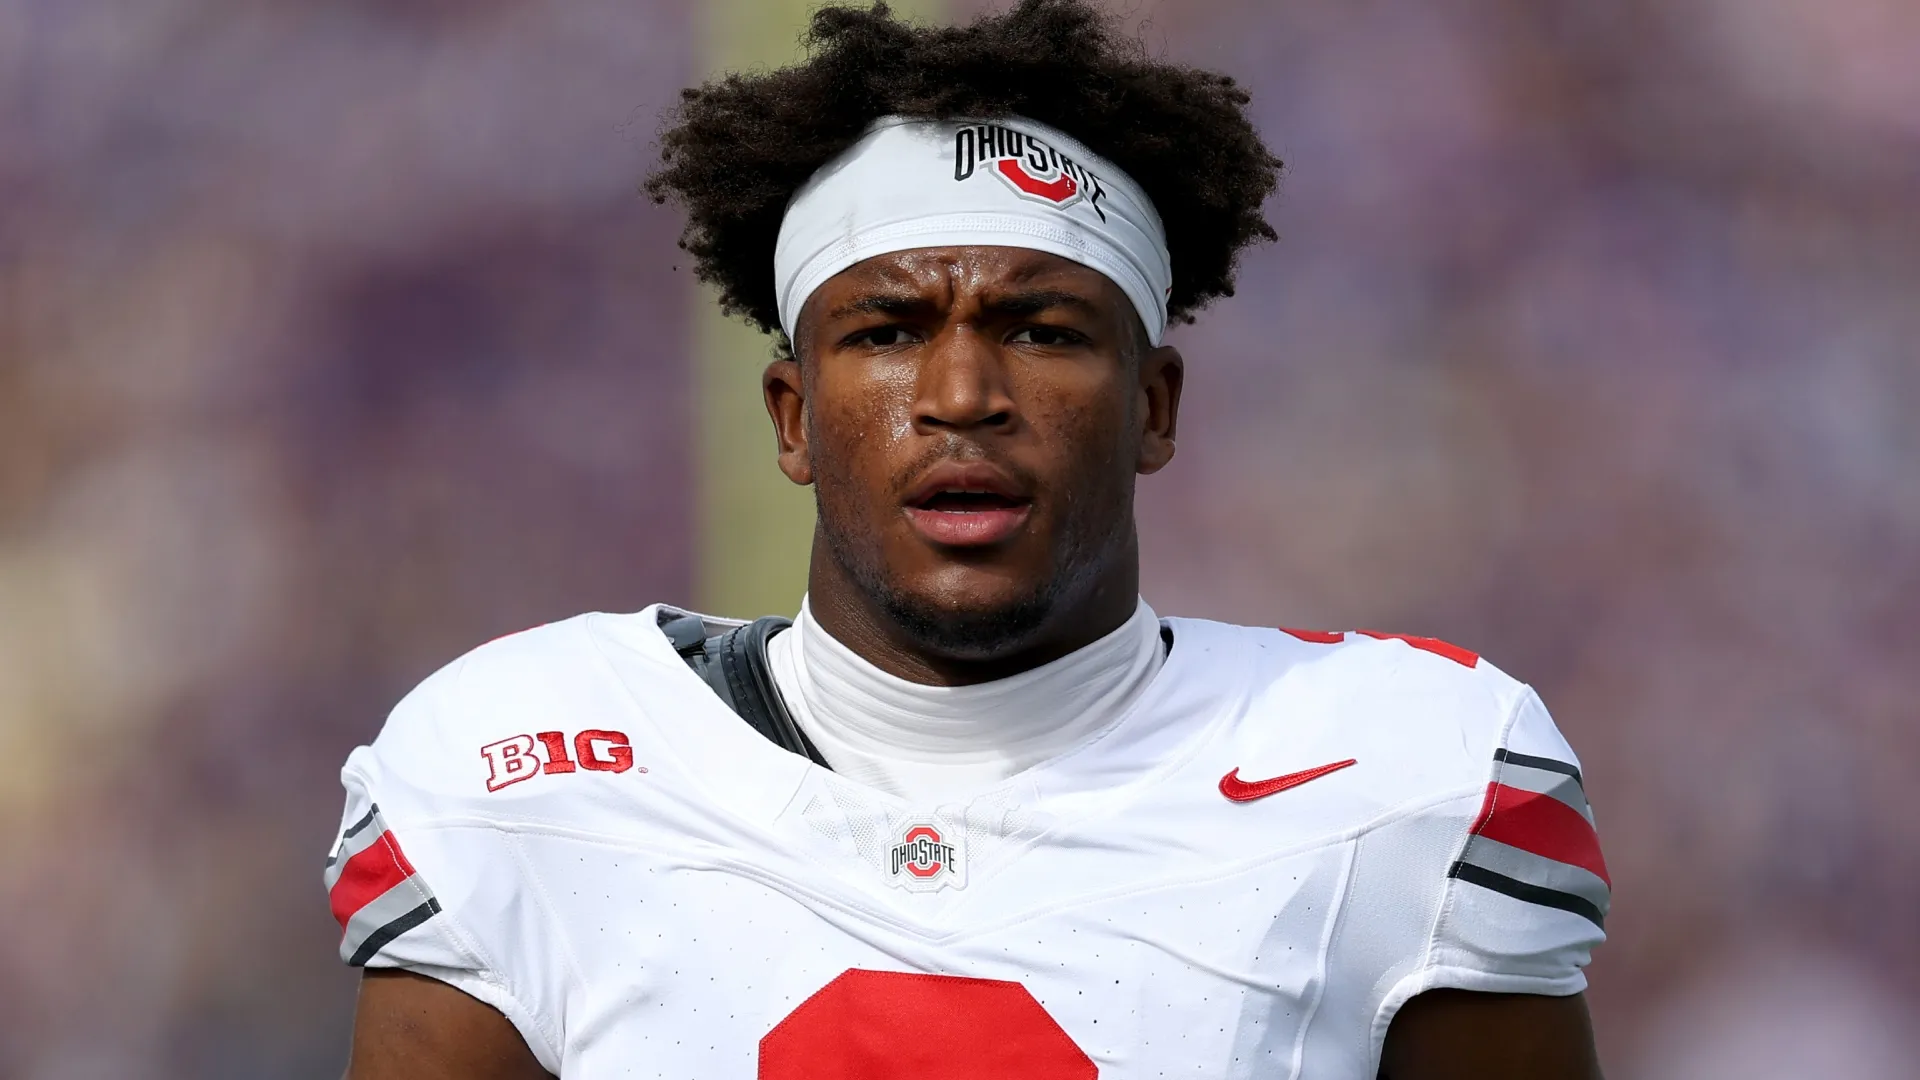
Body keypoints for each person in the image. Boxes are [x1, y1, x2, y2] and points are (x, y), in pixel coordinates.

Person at [327, 2, 1609, 1076]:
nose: (960, 395)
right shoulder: (520, 778)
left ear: (1153, 407)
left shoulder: (1404, 774)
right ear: (792, 417)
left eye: (1043, 329)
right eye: (885, 331)